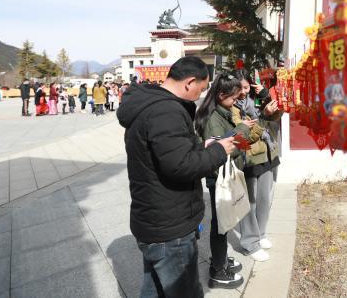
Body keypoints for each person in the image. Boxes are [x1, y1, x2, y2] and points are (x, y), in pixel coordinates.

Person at [118, 57, 237, 298]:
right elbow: (180, 166)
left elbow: (170, 152)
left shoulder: (152, 104)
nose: (201, 94)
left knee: (154, 289)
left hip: (155, 219)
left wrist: (202, 145)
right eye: (201, 89)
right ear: (189, 82)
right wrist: (218, 151)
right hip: (169, 226)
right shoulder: (166, 111)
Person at [194, 72, 255, 289]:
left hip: (223, 175)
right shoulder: (213, 119)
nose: (237, 101)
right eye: (234, 97)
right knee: (220, 224)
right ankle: (218, 270)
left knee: (224, 222)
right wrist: (243, 130)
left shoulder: (223, 112)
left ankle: (219, 260)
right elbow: (224, 151)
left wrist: (243, 130)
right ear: (221, 95)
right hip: (218, 177)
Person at [232, 71, 282, 262]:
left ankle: (260, 234)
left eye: (246, 87)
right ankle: (249, 243)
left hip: (267, 154)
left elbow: (276, 115)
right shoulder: (233, 107)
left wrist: (266, 96)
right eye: (239, 89)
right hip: (249, 157)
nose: (244, 92)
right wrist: (264, 115)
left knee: (264, 199)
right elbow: (246, 133)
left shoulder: (257, 99)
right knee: (249, 204)